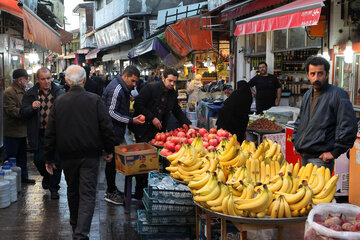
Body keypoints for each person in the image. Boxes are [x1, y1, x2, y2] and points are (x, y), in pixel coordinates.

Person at [44, 65, 115, 240]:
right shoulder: (95, 100)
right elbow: (106, 127)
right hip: (90, 155)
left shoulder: (59, 102)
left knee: (73, 190)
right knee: (88, 193)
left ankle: (76, 225)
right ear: (84, 80)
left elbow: (50, 132)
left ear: (67, 81)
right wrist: (109, 149)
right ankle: (81, 233)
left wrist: (49, 157)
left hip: (67, 155)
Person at [133, 68, 194, 199]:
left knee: (156, 163)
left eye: (174, 82)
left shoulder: (172, 93)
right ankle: (139, 193)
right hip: (144, 130)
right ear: (163, 78)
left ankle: (153, 191)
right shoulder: (150, 88)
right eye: (170, 80)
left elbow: (177, 111)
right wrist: (152, 118)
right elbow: (138, 104)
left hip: (159, 134)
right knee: (142, 164)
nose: (172, 84)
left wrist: (188, 124)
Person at [292, 56, 358, 173]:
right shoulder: (308, 94)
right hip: (304, 154)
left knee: (318, 191)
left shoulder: (338, 95)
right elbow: (300, 121)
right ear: (307, 75)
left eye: (320, 74)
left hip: (321, 158)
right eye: (313, 74)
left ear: (327, 74)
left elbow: (349, 126)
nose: (316, 77)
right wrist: (296, 141)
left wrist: (334, 152)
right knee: (305, 190)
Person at [102, 65, 145, 204]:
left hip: (116, 131)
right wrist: (131, 120)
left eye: (135, 82)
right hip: (111, 131)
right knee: (111, 162)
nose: (134, 84)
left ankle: (112, 189)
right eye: (132, 81)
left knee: (113, 162)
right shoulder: (117, 89)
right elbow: (111, 112)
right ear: (125, 76)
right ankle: (110, 192)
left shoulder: (122, 88)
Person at [21, 67, 64, 199]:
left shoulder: (59, 92)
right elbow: (23, 113)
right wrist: (31, 108)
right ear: (38, 79)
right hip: (38, 132)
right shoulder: (30, 94)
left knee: (56, 161)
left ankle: (54, 188)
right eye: (43, 79)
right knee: (39, 160)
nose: (47, 81)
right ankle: (46, 177)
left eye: (48, 78)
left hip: (56, 133)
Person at [3, 69, 35, 184]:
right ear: (20, 80)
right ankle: (10, 181)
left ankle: (23, 177)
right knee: (11, 157)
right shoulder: (9, 92)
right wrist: (27, 112)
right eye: (26, 79)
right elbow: (11, 110)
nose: (27, 81)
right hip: (12, 132)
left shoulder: (23, 90)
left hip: (22, 131)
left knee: (22, 157)